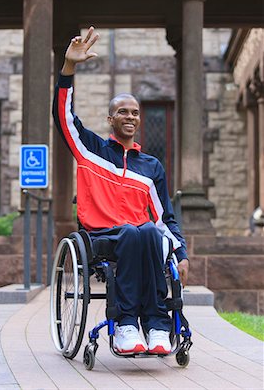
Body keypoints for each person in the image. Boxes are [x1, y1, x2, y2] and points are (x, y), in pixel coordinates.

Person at [53, 26, 189, 355]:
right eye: (122, 112)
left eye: (135, 112)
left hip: (139, 235)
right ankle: (127, 324)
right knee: (134, 233)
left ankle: (157, 325)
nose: (130, 116)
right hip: (101, 235)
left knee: (147, 234)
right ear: (110, 118)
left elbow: (163, 217)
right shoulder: (90, 150)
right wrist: (68, 69)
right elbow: (64, 118)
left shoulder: (151, 166)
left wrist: (181, 252)